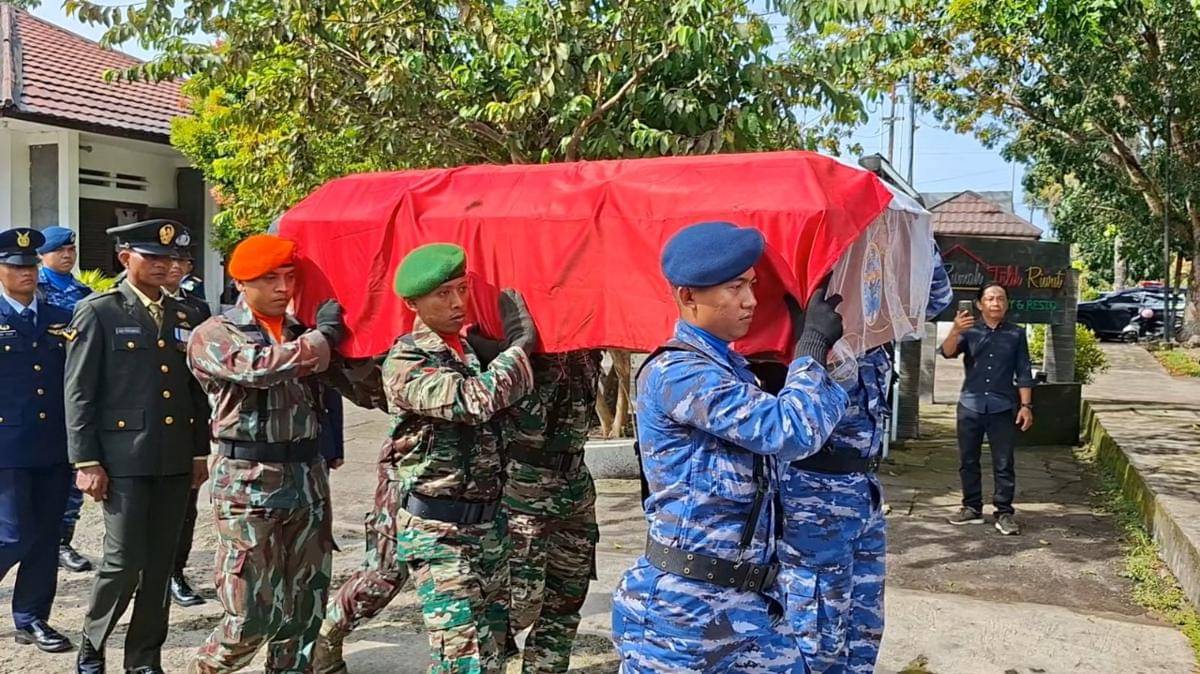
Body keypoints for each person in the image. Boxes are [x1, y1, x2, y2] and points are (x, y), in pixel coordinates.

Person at [611, 221, 849, 673]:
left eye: (753, 285)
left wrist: (823, 359)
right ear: (688, 296)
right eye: (734, 287)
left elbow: (826, 409)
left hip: (751, 607)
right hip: (682, 614)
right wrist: (810, 348)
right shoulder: (678, 373)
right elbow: (791, 432)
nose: (750, 301)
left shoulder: (732, 369)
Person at [319, 243, 537, 674]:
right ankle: (327, 634)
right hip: (437, 530)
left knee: (492, 652)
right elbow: (472, 401)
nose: (457, 303)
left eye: (461, 289)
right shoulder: (405, 361)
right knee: (461, 660)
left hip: (487, 527)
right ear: (412, 303)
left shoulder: (471, 353)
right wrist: (518, 349)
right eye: (442, 294)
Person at [777, 244, 953, 673]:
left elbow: (936, 298)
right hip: (813, 496)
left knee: (863, 627)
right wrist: (816, 340)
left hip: (862, 490)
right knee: (816, 631)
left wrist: (914, 235)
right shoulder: (812, 311)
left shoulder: (879, 316)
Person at [185, 234, 346, 673]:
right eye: (269, 279)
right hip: (248, 487)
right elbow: (259, 369)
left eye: (289, 277)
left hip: (307, 482)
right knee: (251, 616)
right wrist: (322, 339)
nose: (282, 287)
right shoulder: (214, 334)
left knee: (304, 611)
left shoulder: (300, 331)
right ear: (241, 282)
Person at [67, 218, 211, 674]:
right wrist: (86, 460)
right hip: (122, 458)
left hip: (172, 455)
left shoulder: (186, 313)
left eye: (170, 258)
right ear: (125, 258)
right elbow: (80, 391)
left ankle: (144, 658)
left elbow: (194, 391)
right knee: (123, 559)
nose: (164, 266)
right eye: (153, 257)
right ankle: (93, 644)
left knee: (159, 563)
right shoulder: (99, 311)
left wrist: (197, 451)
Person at [502, 350, 602, 674]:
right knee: (519, 604)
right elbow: (525, 421)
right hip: (525, 490)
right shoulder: (521, 345)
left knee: (565, 603)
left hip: (575, 488)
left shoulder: (589, 350)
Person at [0, 228, 75, 654]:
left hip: (52, 445)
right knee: (11, 535)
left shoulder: (59, 318)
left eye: (30, 265)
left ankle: (31, 619)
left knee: (46, 536)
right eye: (15, 265)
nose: (25, 272)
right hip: (6, 447)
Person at [940, 282, 1035, 536]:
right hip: (970, 405)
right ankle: (971, 508)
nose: (996, 303)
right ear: (980, 304)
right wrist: (955, 330)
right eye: (991, 298)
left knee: (1004, 462)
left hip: (1003, 406)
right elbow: (947, 352)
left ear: (1006, 304)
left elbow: (1024, 371)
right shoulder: (968, 331)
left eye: (1001, 299)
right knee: (967, 460)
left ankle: (1004, 512)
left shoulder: (1016, 334)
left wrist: (1026, 406)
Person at [156, 238, 214, 609]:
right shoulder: (118, 306)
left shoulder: (196, 309)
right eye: (169, 260)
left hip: (185, 422)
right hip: (137, 428)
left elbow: (201, 377)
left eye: (183, 260)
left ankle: (175, 574)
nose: (176, 267)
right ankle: (146, 576)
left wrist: (201, 442)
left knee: (185, 509)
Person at [35, 225, 96, 574]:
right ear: (43, 255)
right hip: (39, 388)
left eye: (71, 249)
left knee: (74, 467)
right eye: (59, 250)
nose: (67, 255)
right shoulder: (33, 289)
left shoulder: (84, 293)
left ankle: (63, 541)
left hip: (73, 390)